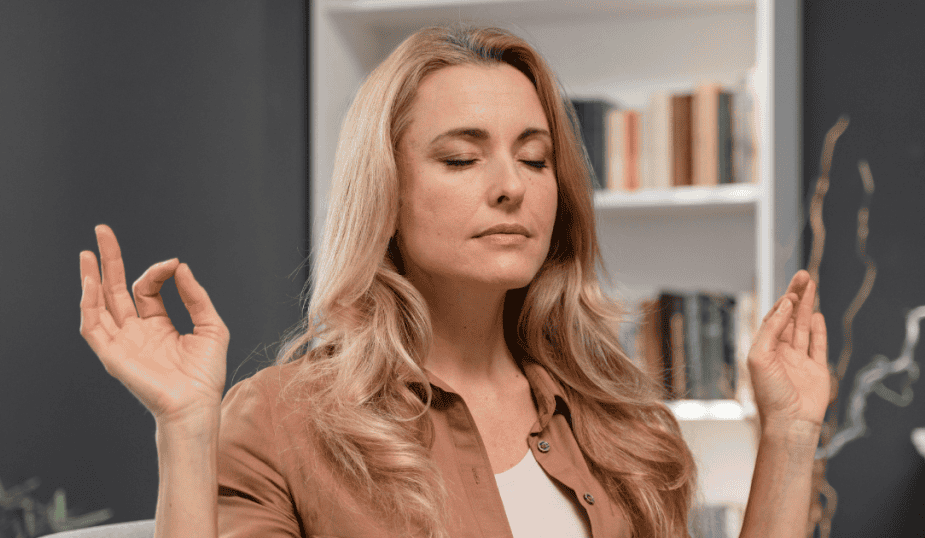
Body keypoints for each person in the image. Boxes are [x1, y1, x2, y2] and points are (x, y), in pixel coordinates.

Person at [78, 26, 830, 538]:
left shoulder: (624, 426)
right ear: (386, 193)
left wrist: (790, 434)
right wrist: (184, 428)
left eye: (535, 159)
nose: (511, 187)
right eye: (461, 159)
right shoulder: (281, 421)